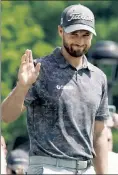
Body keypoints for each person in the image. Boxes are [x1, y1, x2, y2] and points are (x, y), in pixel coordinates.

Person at [2, 4, 109, 174]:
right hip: (48, 168)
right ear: (61, 31)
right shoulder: (40, 69)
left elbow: (99, 134)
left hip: (85, 169)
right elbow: (6, 116)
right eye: (74, 34)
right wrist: (22, 87)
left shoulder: (98, 77)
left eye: (85, 35)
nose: (80, 41)